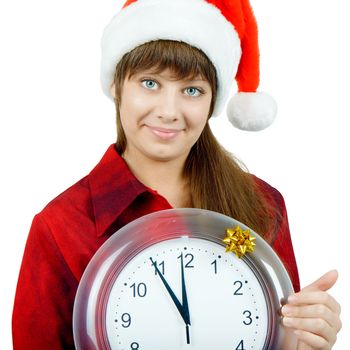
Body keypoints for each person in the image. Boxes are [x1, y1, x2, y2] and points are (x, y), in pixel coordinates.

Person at [12, 0, 341, 349]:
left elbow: (275, 336)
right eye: (150, 83)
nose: (168, 111)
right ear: (116, 86)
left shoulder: (260, 206)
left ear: (213, 101)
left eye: (192, 90)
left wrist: (303, 339)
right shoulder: (61, 225)